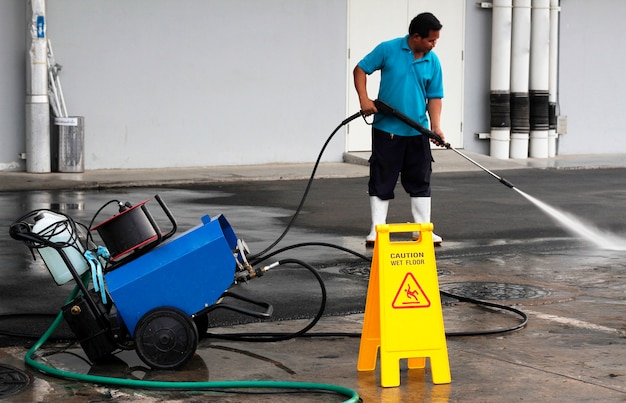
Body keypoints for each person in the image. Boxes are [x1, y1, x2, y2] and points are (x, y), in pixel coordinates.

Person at [353, 12, 445, 247]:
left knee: (421, 180)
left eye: (436, 40)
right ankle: (376, 230)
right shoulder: (388, 49)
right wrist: (364, 100)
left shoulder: (432, 61)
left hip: (418, 131)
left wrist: (435, 127)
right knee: (382, 178)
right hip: (387, 129)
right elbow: (360, 70)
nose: (434, 44)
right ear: (416, 36)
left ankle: (422, 230)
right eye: (431, 40)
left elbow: (434, 96)